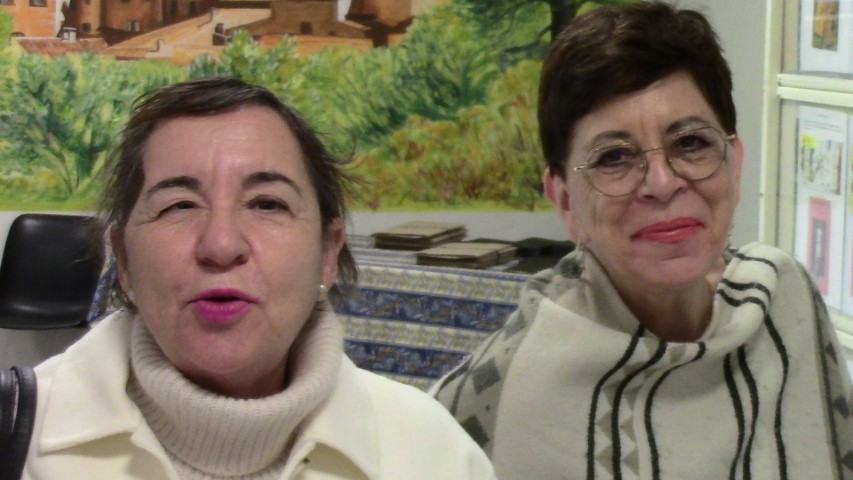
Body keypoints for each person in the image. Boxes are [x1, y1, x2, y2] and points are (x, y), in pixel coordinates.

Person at [433, 3, 853, 479]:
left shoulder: (784, 302)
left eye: (691, 143)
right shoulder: (499, 390)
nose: (662, 182)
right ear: (565, 200)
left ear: (734, 165)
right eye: (614, 157)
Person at [23, 77, 496, 479]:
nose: (221, 245)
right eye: (179, 205)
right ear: (124, 259)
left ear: (328, 253)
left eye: (267, 204)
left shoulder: (430, 452)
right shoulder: (19, 438)